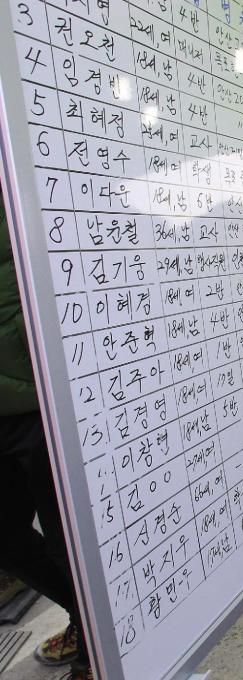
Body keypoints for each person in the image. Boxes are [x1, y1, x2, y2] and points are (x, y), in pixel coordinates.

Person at [0, 203, 93, 680]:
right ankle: (89, 621)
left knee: (66, 538)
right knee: (8, 537)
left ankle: (94, 648)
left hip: (41, 397)